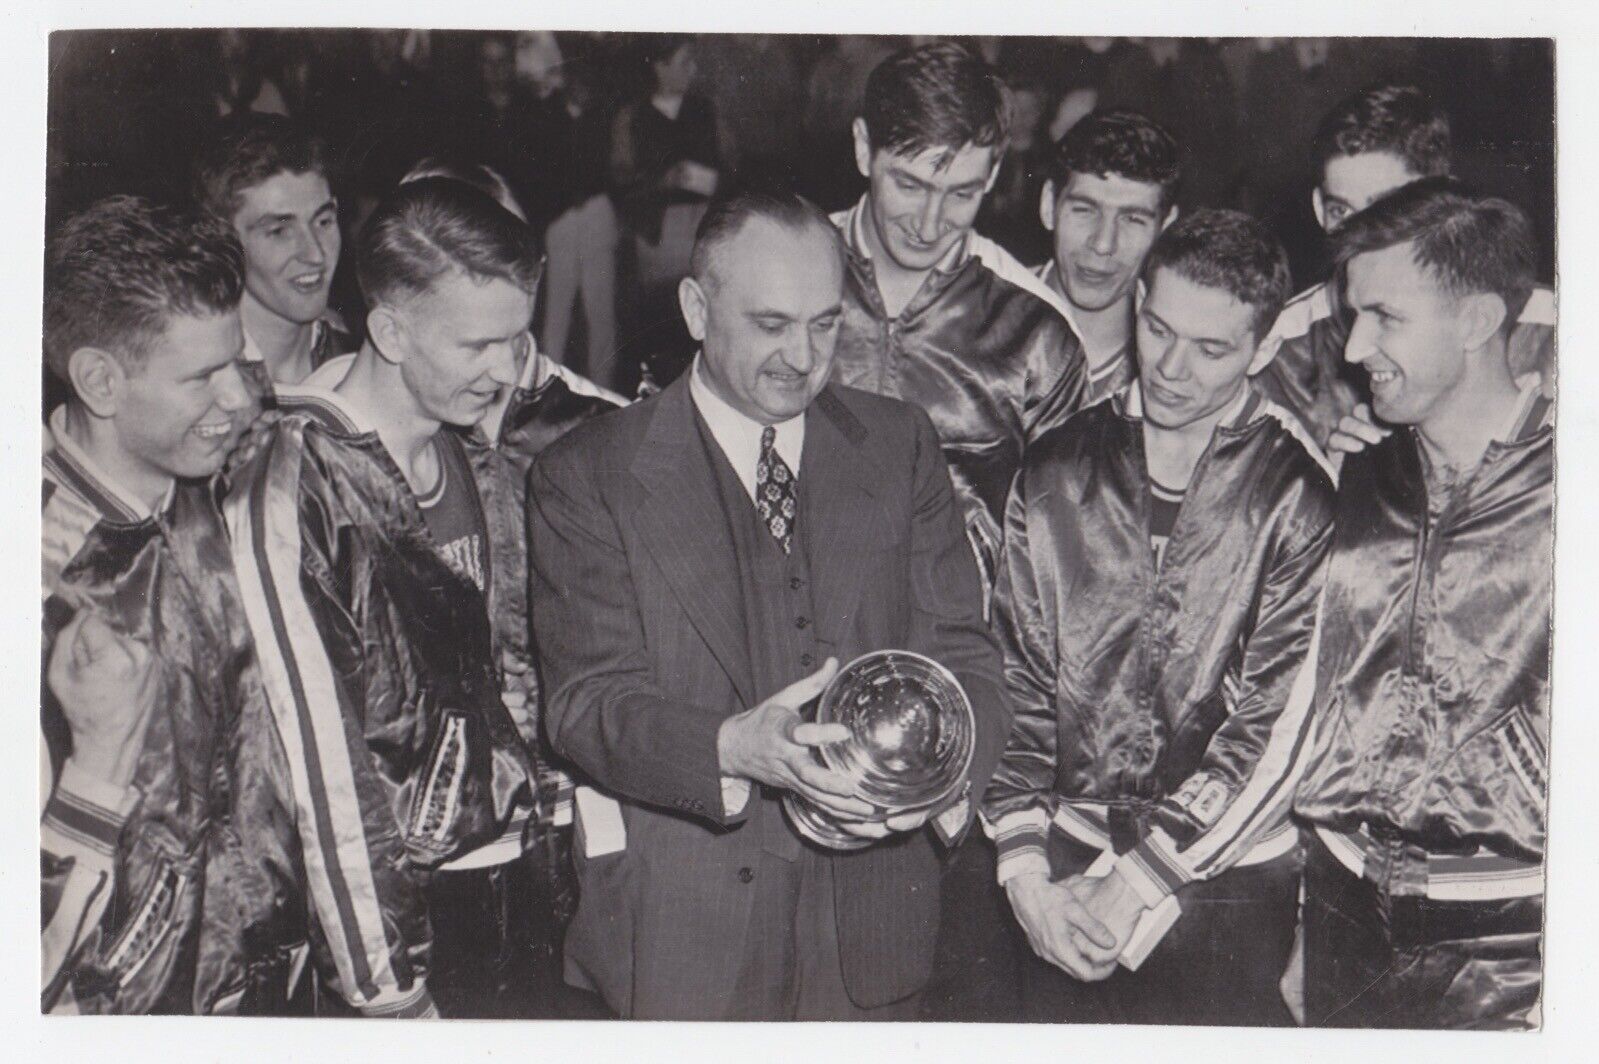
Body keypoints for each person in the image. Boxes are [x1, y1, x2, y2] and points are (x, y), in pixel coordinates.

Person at [525, 190, 1011, 1020]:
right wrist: (730, 745)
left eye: (825, 323)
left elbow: (966, 658)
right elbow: (584, 705)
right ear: (694, 308)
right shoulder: (585, 475)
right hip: (681, 936)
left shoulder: (900, 445)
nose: (803, 357)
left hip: (874, 929)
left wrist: (926, 791)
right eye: (771, 323)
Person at [983, 209, 1332, 1026]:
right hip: (1062, 856)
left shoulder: (1297, 493)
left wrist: (1140, 876)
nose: (1173, 369)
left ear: (1260, 342)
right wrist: (1023, 868)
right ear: (1138, 301)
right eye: (1158, 329)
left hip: (1224, 879)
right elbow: (1017, 675)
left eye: (1211, 350)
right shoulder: (1058, 463)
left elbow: (1277, 725)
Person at [222, 178, 542, 1018]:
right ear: (391, 331)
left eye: (517, 340)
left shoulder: (475, 447)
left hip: (509, 872)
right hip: (385, 924)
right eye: (478, 346)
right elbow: (315, 760)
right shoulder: (296, 476)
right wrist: (384, 984)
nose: (506, 371)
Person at [828, 40, 1091, 1021]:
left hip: (959, 717)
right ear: (861, 149)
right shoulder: (784, 283)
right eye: (909, 183)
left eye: (966, 193)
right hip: (788, 693)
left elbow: (1069, 576)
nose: (933, 223)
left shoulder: (1034, 330)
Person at [1290, 179, 1550, 1030]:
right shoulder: (1357, 470)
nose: (1353, 347)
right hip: (1341, 908)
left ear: (1476, 323)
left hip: (1512, 942)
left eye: (1384, 318)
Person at [40, 196, 279, 1013]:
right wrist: (92, 767)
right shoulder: (40, 580)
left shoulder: (213, 488)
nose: (238, 401)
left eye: (238, 363)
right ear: (101, 380)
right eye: (202, 378)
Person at [1255, 84, 1556, 451]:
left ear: (1443, 201)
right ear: (1319, 208)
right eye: (1341, 212)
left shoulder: (1557, 331)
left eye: (1389, 210)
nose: (1361, 235)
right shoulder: (1281, 349)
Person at [192, 112, 355, 395]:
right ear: (222, 239)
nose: (315, 254)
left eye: (323, 222)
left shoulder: (360, 365)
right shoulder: (197, 384)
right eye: (280, 232)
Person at [1035, 108, 1180, 408]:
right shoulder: (973, 315)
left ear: (1164, 228)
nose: (1102, 244)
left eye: (1132, 219)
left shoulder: (1179, 364)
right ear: (1049, 205)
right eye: (1085, 210)